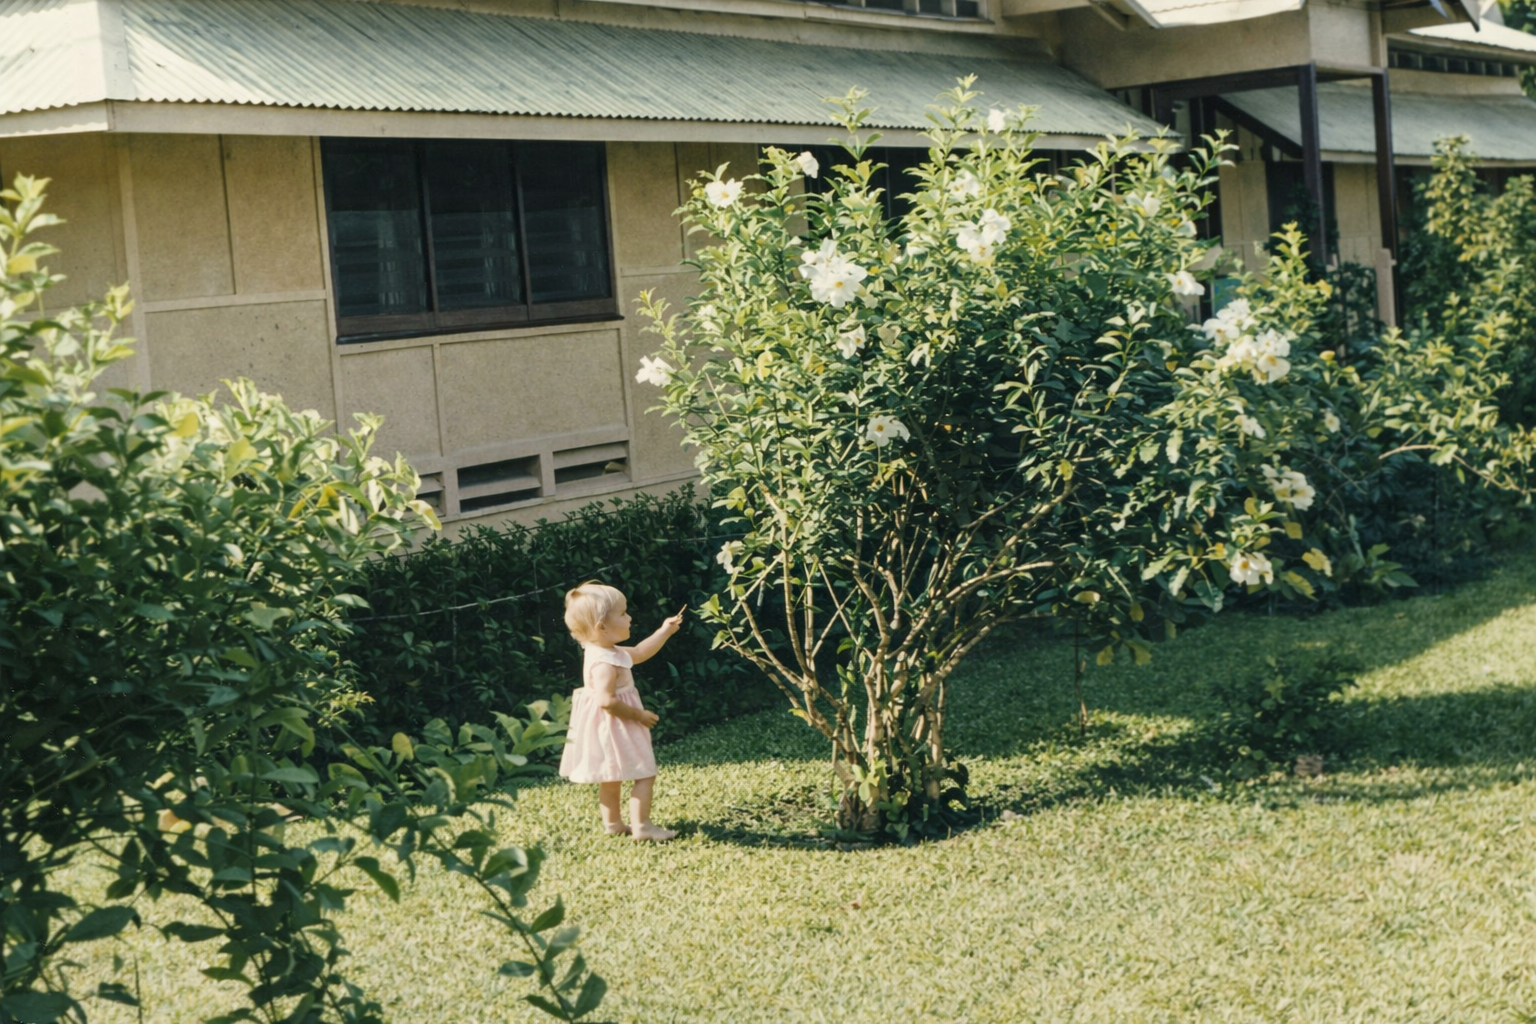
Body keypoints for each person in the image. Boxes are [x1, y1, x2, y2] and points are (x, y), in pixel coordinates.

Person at [558, 582, 684, 842]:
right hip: (618, 723)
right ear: (602, 627)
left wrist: (664, 631)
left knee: (611, 775)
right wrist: (638, 715)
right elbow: (606, 700)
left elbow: (638, 652)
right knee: (644, 771)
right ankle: (643, 827)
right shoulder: (605, 663)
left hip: (606, 726)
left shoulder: (603, 651)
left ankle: (613, 824)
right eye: (623, 613)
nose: (630, 617)